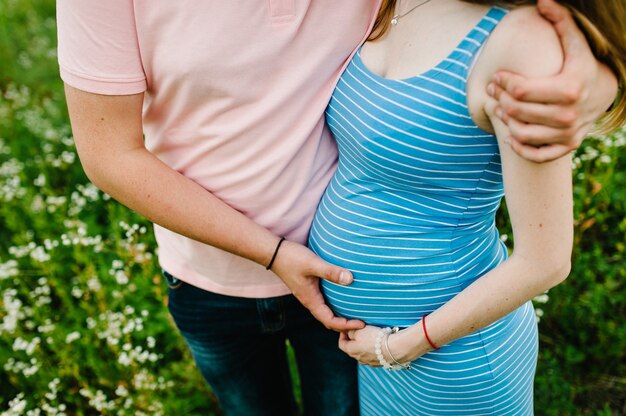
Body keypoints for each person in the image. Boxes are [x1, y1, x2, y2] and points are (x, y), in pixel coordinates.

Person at [56, 1, 617, 415]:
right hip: (215, 279)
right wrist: (274, 254)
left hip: (360, 315)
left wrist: (596, 77)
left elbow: (561, 30)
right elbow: (109, 154)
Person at [312, 0, 625, 414]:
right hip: (377, 351)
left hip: (453, 357)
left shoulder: (520, 41)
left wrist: (402, 345)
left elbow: (545, 261)